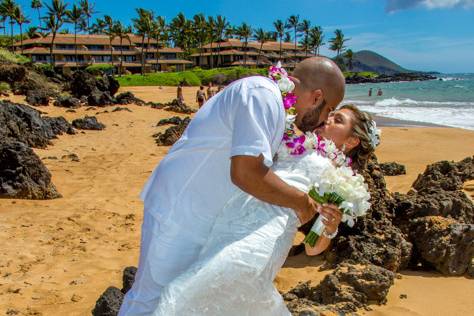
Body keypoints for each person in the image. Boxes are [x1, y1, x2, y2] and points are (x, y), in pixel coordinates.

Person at [118, 57, 346, 315]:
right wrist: (301, 202)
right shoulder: (261, 94)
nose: (323, 121)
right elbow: (246, 172)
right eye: (330, 110)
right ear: (316, 98)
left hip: (204, 215)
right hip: (180, 208)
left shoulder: (276, 107)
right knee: (150, 298)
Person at [154, 105, 377, 315]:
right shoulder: (301, 138)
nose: (328, 119)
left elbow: (311, 249)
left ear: (352, 140)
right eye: (331, 114)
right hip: (230, 221)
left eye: (338, 120)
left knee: (184, 292)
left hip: (266, 236)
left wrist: (330, 227)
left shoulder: (340, 178)